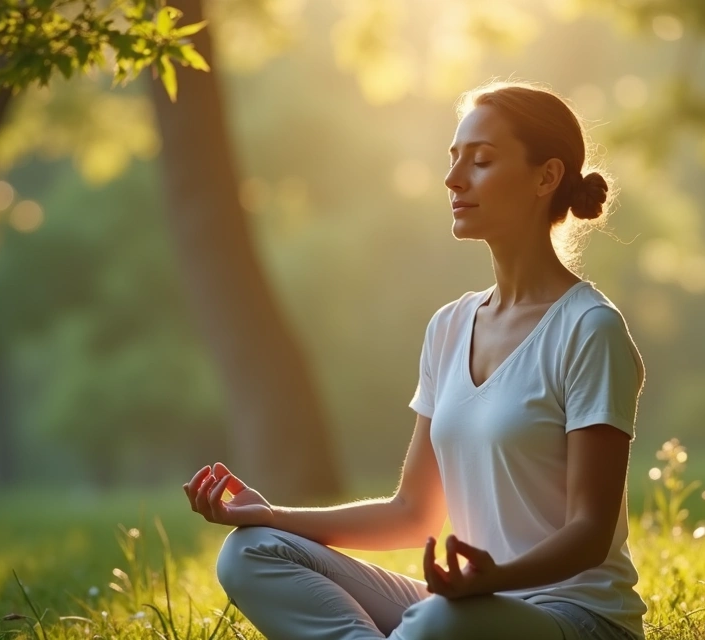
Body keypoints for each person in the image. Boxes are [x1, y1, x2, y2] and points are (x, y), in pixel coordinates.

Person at [182, 81, 648, 640]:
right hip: (467, 606)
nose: (453, 179)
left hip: (574, 619)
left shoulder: (589, 329)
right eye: (453, 160)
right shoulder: (450, 326)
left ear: (546, 177)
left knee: (434, 622)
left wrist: (491, 581)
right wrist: (274, 515)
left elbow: (590, 531)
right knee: (251, 552)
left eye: (481, 161)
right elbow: (413, 512)